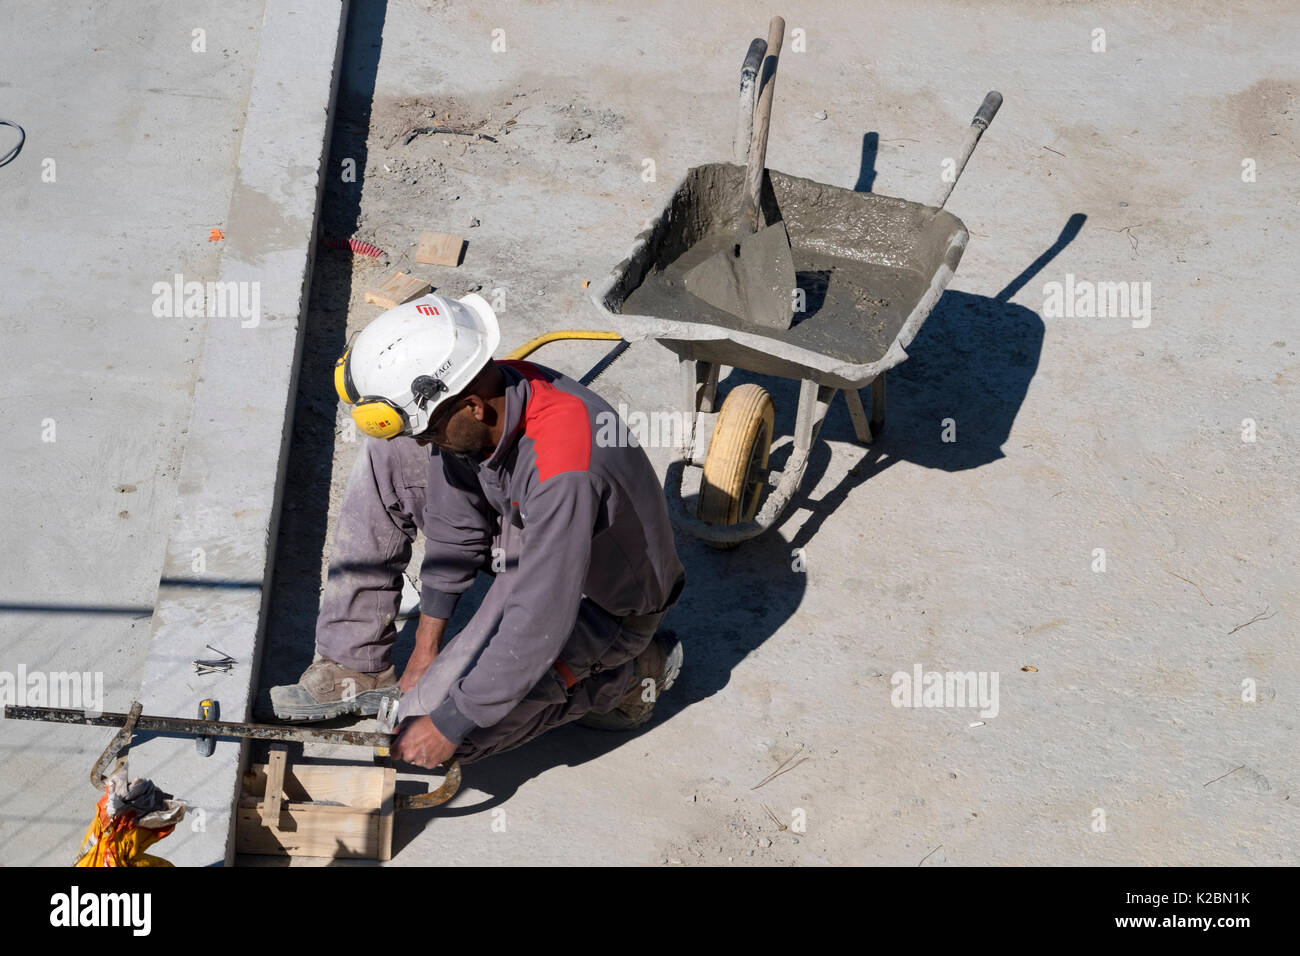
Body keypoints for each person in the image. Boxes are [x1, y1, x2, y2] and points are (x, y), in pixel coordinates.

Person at [268, 292, 685, 768]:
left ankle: (631, 674)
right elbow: (454, 526)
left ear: (473, 407)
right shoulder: (491, 392)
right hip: (525, 533)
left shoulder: (564, 471)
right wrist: (425, 649)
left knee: (432, 728)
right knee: (392, 453)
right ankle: (356, 665)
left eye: (431, 431)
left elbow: (539, 619)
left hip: (600, 606)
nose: (425, 441)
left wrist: (452, 720)